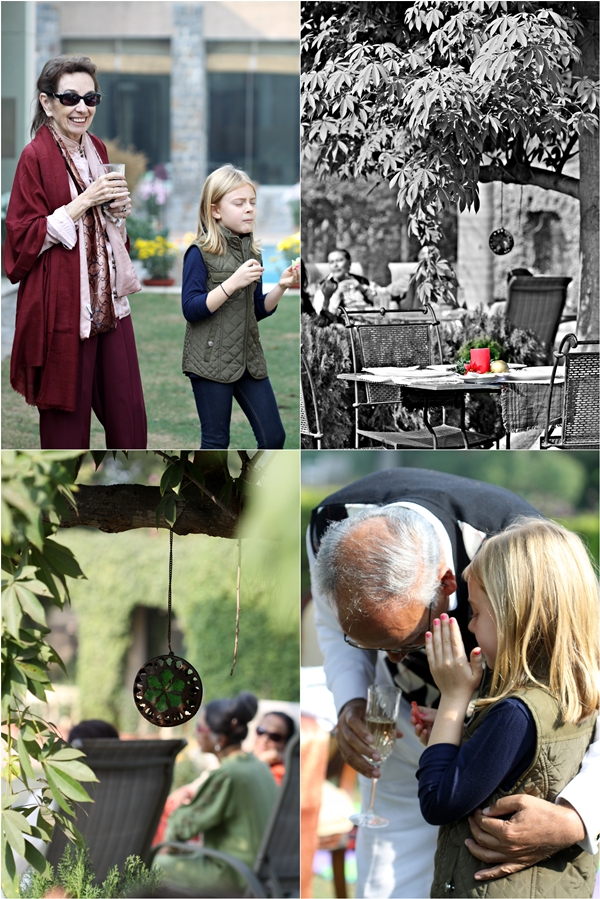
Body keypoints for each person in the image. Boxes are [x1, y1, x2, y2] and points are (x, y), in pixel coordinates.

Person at [309, 467, 600, 899]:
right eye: (370, 643)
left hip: (517, 757)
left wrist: (580, 814)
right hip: (416, 728)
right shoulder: (331, 524)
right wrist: (351, 700)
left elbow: (586, 673)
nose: (389, 661)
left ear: (448, 583)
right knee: (386, 876)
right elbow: (330, 625)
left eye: (407, 641)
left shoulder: (522, 552)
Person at [417, 519, 599, 898]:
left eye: (477, 613)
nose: (470, 626)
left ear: (516, 616)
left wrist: (453, 699)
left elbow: (438, 801)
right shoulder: (575, 691)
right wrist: (458, 732)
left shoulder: (514, 714)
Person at [4, 56, 147, 450]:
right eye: (69, 98)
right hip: (63, 306)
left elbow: (103, 232)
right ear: (47, 102)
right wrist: (83, 202)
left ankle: (134, 492)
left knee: (129, 414)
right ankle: (60, 504)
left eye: (90, 97)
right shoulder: (35, 157)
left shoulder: (96, 148)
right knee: (66, 427)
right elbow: (20, 238)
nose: (82, 108)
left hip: (109, 301)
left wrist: (118, 214)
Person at [181, 164, 299, 449]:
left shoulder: (253, 251)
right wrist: (232, 283)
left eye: (252, 202)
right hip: (210, 362)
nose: (249, 209)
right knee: (216, 442)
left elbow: (255, 309)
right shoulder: (199, 253)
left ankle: (251, 491)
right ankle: (209, 495)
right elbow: (191, 308)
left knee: (274, 438)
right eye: (239, 203)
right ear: (215, 210)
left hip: (249, 360)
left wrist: (281, 286)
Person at [153, 691, 278, 894]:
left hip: (236, 875)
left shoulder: (227, 775)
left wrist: (168, 846)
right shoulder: (258, 766)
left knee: (153, 866)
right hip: (262, 873)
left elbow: (182, 826)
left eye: (200, 727)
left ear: (219, 738)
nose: (196, 733)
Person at [312, 248, 376, 320]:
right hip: (346, 325)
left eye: (339, 260)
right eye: (331, 262)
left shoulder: (361, 280)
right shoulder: (324, 286)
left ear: (349, 263)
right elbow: (321, 315)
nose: (335, 265)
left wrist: (361, 288)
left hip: (371, 320)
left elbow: (380, 299)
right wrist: (337, 293)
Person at [253, 711, 296, 786]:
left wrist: (258, 764)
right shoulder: (242, 756)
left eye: (274, 736)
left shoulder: (280, 773)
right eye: (261, 731)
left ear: (287, 744)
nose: (264, 739)